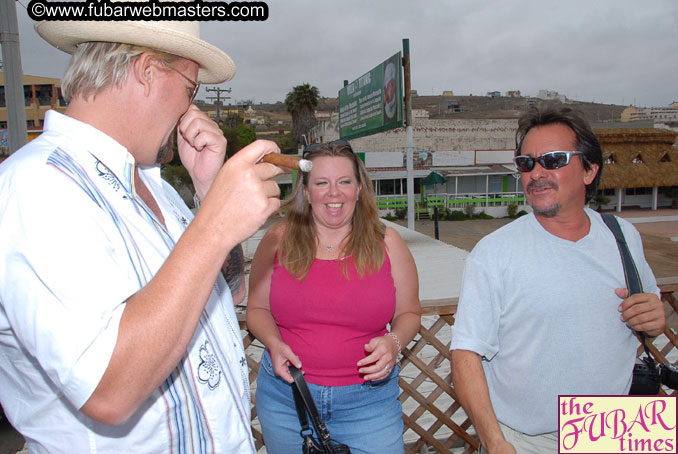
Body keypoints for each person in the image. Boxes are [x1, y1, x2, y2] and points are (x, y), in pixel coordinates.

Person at [0, 11, 284, 454]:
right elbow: (109, 390)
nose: (192, 110)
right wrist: (212, 227)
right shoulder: (38, 185)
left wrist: (209, 195)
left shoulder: (155, 185)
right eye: (191, 90)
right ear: (148, 71)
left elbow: (228, 290)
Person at [449, 106, 666, 454]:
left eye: (552, 160)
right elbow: (465, 354)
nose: (536, 173)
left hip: (620, 428)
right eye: (526, 163)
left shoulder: (623, 235)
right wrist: (494, 441)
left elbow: (650, 309)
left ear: (589, 170)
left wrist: (656, 317)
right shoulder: (494, 253)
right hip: (529, 441)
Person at [247, 140, 422, 453]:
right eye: (322, 183)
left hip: (368, 405)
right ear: (305, 191)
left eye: (344, 182)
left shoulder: (389, 242)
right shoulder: (277, 239)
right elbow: (257, 309)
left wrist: (393, 343)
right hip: (288, 402)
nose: (334, 193)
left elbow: (409, 313)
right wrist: (274, 344)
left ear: (358, 189)